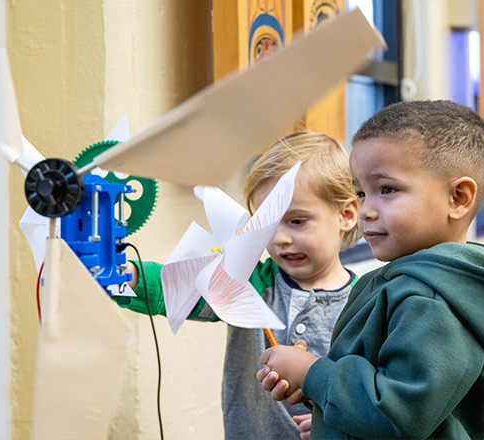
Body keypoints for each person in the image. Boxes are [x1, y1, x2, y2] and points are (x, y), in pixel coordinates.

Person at [256, 100, 484, 439]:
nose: (365, 211)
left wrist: (314, 374)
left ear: (459, 198)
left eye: (387, 190)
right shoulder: (401, 283)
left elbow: (397, 415)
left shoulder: (434, 301)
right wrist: (322, 404)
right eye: (361, 192)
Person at [118, 131, 359, 440]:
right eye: (267, 223)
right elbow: (178, 286)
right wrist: (125, 274)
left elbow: (373, 397)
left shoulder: (367, 302)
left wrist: (343, 428)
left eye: (297, 221)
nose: (281, 238)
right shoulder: (247, 284)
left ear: (346, 214)